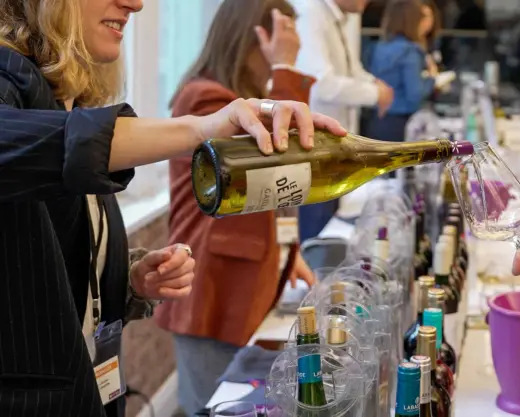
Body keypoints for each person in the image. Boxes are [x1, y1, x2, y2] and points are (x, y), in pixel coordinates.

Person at [0, 0, 345, 415]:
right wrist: (274, 77)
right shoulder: (11, 79)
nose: (136, 4)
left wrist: (129, 278)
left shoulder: (74, 104)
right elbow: (284, 167)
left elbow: (52, 260)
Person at [153, 1, 318, 414]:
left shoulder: (234, 98)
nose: (293, 46)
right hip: (214, 289)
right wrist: (285, 69)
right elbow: (278, 162)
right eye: (284, 37)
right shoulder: (206, 99)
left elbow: (271, 195)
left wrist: (286, 250)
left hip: (237, 285)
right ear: (255, 37)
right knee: (215, 406)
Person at [289, 0, 394, 241]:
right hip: (316, 146)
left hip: (335, 145)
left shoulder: (337, 18)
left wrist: (374, 84)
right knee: (317, 233)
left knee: (332, 225)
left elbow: (350, 69)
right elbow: (321, 83)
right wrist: (374, 93)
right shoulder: (312, 14)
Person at [367, 0, 437, 143]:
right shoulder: (410, 51)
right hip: (401, 125)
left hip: (378, 120)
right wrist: (432, 79)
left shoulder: (379, 47)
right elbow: (415, 95)